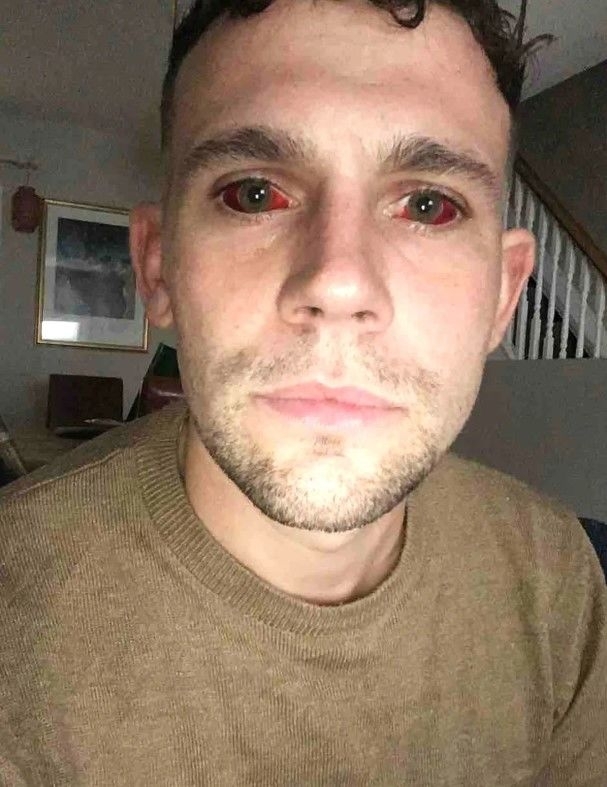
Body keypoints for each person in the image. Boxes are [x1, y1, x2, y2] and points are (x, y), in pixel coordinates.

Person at [1, 0, 606, 783]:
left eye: (428, 205)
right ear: (158, 267)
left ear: (503, 294)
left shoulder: (557, 578)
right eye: (253, 194)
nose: (337, 283)